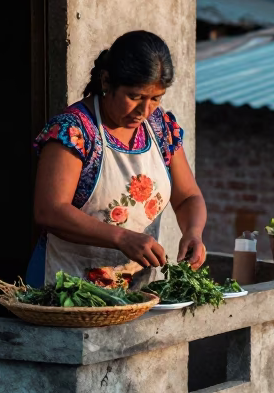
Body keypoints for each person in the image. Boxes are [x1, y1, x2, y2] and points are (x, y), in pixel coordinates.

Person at [31, 30, 207, 286]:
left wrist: (193, 232)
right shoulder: (74, 131)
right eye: (134, 97)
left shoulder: (161, 129)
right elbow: (50, 210)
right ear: (106, 81)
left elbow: (188, 196)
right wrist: (121, 238)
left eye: (155, 99)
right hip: (64, 287)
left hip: (134, 292)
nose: (144, 111)